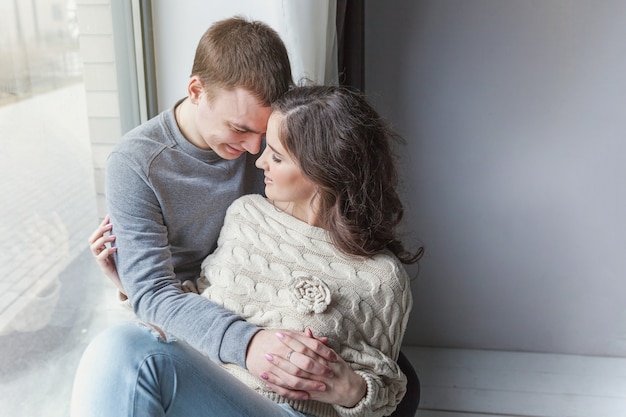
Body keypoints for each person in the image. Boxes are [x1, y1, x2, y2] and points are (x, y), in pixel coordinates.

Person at [73, 85, 423, 417]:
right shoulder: (246, 215)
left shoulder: (380, 277)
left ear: (320, 171)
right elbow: (202, 301)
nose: (258, 162)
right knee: (120, 348)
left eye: (275, 155)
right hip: (212, 393)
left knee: (125, 348)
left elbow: (388, 395)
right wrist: (128, 286)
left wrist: (348, 389)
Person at [75, 15, 337, 405]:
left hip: (264, 309)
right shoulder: (135, 163)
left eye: (263, 135)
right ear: (197, 90)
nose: (254, 151)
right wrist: (247, 342)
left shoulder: (277, 147)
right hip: (196, 329)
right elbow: (154, 295)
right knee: (120, 352)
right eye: (239, 129)